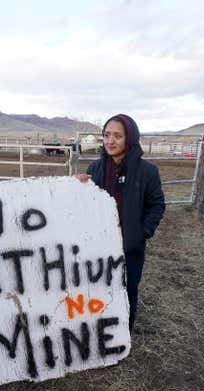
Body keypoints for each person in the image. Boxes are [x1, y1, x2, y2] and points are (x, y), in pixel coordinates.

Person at [76, 114, 165, 330]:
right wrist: (77, 188)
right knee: (98, 287)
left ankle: (123, 333)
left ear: (130, 138)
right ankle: (101, 332)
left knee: (127, 289)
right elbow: (86, 206)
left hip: (130, 247)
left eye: (117, 136)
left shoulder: (147, 172)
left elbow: (157, 205)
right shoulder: (94, 169)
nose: (110, 141)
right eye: (106, 135)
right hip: (99, 245)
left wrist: (142, 232)